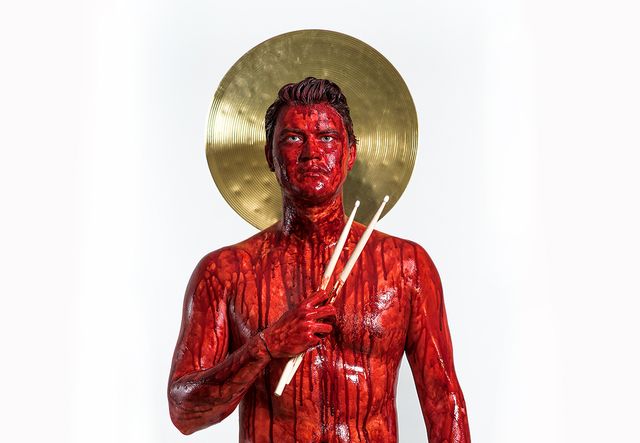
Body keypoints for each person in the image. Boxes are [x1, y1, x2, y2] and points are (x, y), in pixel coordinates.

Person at [168, 77, 470, 442]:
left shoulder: (406, 266)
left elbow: (443, 399)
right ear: (269, 155)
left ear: (350, 153)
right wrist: (265, 346)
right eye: (293, 138)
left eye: (327, 137)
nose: (312, 152)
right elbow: (184, 413)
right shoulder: (226, 272)